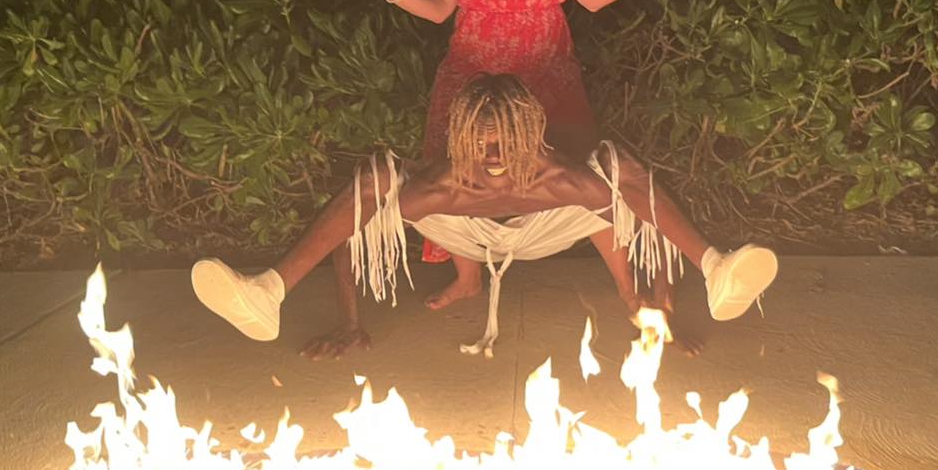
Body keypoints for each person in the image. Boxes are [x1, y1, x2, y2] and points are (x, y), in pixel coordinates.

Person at [336, 0, 687, 310]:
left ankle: (631, 293)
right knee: (454, 173)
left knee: (587, 174)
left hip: (547, 68)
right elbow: (438, 8)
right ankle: (468, 277)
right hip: (475, 69)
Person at [192, 74, 777, 360]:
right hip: (458, 223)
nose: (493, 157)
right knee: (372, 181)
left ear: (531, 136)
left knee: (619, 174)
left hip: (550, 221)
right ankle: (267, 291)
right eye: (481, 144)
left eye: (505, 144)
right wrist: (349, 320)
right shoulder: (439, 185)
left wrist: (658, 310)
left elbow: (647, 224)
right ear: (462, 140)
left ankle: (714, 269)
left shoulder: (565, 179)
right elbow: (350, 231)